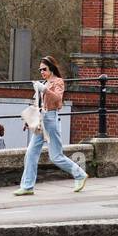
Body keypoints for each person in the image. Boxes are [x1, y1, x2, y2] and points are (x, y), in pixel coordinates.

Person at [14, 55, 87, 195]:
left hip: (51, 120)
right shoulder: (44, 83)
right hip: (40, 121)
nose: (42, 72)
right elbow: (37, 105)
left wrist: (45, 90)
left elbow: (59, 99)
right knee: (31, 153)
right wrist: (28, 121)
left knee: (56, 156)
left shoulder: (57, 82)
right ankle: (28, 186)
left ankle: (80, 175)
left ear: (51, 68)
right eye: (40, 70)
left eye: (44, 69)